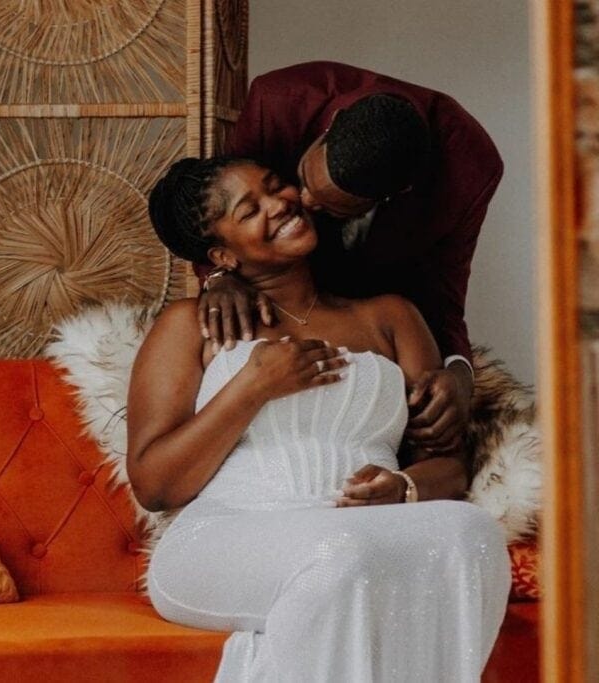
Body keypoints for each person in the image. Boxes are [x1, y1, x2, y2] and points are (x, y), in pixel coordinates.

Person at [130, 156, 509, 682]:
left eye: (275, 185)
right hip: (228, 537)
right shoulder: (188, 326)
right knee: (341, 555)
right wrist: (251, 387)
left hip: (364, 532)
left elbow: (448, 465)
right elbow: (155, 484)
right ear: (222, 254)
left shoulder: (391, 317)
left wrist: (402, 488)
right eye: (250, 209)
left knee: (471, 532)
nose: (279, 203)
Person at [198, 61, 504, 457]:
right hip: (270, 314)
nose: (301, 205)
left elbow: (443, 292)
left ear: (396, 193)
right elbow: (215, 213)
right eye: (304, 180)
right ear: (332, 124)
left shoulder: (470, 169)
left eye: (331, 207)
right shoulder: (279, 100)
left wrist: (461, 374)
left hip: (374, 340)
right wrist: (219, 276)